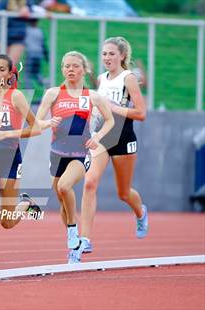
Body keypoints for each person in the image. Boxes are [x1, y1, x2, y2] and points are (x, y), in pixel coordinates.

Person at [36, 51, 114, 263]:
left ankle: (73, 231)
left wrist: (97, 137)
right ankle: (76, 246)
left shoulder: (92, 96)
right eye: (67, 66)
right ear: (62, 69)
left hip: (80, 155)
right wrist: (46, 123)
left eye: (75, 66)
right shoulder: (53, 93)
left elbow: (110, 121)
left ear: (84, 70)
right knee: (63, 203)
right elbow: (37, 121)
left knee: (64, 186)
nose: (70, 70)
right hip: (57, 154)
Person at [0, 54, 42, 272]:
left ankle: (26, 204)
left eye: (2, 70)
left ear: (9, 74)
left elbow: (36, 128)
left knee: (7, 222)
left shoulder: (16, 96)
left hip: (11, 157)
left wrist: (9, 133)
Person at [80, 37, 148, 254]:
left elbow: (141, 113)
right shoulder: (101, 79)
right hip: (101, 137)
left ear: (122, 56)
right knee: (89, 183)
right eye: (104, 54)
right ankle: (85, 239)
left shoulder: (129, 79)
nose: (107, 58)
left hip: (123, 138)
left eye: (111, 54)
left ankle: (140, 213)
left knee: (124, 193)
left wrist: (114, 107)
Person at [0, 0, 32, 65]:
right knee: (0, 64)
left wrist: (27, 9)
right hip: (4, 36)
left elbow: (32, 10)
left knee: (10, 65)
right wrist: (17, 13)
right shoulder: (5, 2)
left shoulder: (27, 2)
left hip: (18, 38)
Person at [24, 18, 49, 89]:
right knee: (36, 73)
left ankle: (28, 92)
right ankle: (46, 82)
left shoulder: (27, 30)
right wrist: (46, 56)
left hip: (30, 54)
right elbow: (43, 44)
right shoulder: (40, 31)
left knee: (27, 75)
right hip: (39, 55)